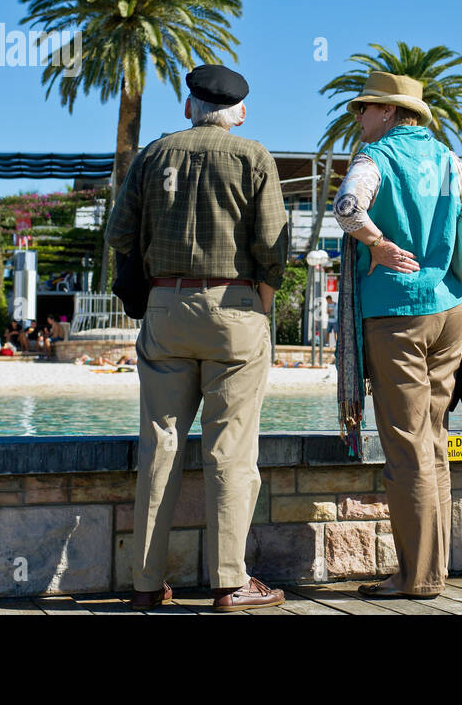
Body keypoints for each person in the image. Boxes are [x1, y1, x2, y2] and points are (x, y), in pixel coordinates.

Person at [108, 64, 290, 613]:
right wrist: (262, 299)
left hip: (164, 308)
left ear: (189, 107)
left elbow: (119, 233)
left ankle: (145, 584)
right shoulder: (253, 156)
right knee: (230, 452)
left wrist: (146, 291)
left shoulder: (153, 155)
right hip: (235, 309)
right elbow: (273, 244)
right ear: (238, 113)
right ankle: (229, 584)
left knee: (159, 447)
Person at [332, 70, 462, 600]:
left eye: (365, 108)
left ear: (391, 112)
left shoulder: (375, 158)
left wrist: (378, 244)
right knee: (434, 441)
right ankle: (434, 571)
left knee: (405, 446)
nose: (359, 117)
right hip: (450, 309)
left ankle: (414, 578)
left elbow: (347, 209)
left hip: (397, 311)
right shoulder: (448, 159)